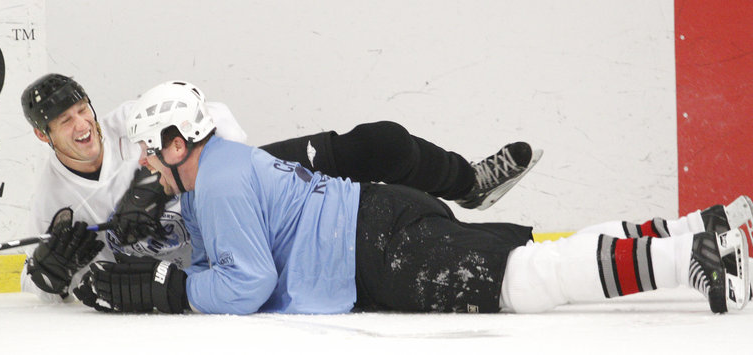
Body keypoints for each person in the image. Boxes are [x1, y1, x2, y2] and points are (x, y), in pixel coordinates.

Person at [72, 81, 751, 316]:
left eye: (147, 147)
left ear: (177, 141)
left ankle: (689, 257)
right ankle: (694, 228)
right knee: (528, 250)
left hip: (376, 247)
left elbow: (249, 282)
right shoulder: (215, 166)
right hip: (380, 218)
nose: (141, 159)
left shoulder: (214, 180)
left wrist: (171, 290)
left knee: (523, 279)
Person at [18, 74, 542, 302]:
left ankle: (469, 183)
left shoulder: (128, 120)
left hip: (239, 186)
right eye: (64, 122)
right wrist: (46, 278)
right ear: (44, 136)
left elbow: (221, 125)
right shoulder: (51, 198)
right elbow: (47, 275)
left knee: (382, 143)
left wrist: (153, 184)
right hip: (208, 247)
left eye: (81, 108)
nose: (81, 124)